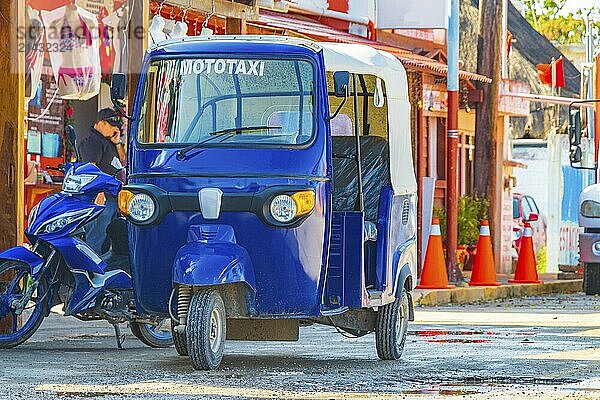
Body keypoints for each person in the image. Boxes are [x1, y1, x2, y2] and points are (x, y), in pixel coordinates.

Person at [78, 108, 125, 255]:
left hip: (111, 198)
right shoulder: (93, 141)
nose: (114, 129)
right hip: (100, 198)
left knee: (105, 242)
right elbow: (90, 168)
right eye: (111, 125)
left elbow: (122, 160)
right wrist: (97, 191)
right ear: (102, 123)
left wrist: (117, 143)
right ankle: (91, 275)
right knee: (95, 240)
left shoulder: (108, 141)